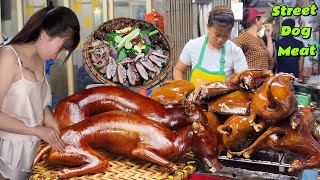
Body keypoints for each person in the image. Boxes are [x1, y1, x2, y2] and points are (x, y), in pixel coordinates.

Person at [0, 4, 80, 180]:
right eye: (61, 48)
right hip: (5, 155)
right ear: (44, 35)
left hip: (31, 153)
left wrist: (46, 115)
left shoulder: (40, 60)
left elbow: (32, 99)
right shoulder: (8, 56)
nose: (59, 56)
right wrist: (37, 130)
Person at [173, 6, 248, 88]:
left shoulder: (235, 52)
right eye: (217, 34)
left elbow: (243, 79)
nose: (221, 40)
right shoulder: (193, 45)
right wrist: (181, 88)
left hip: (221, 100)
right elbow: (179, 70)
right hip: (193, 99)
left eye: (226, 35)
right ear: (208, 27)